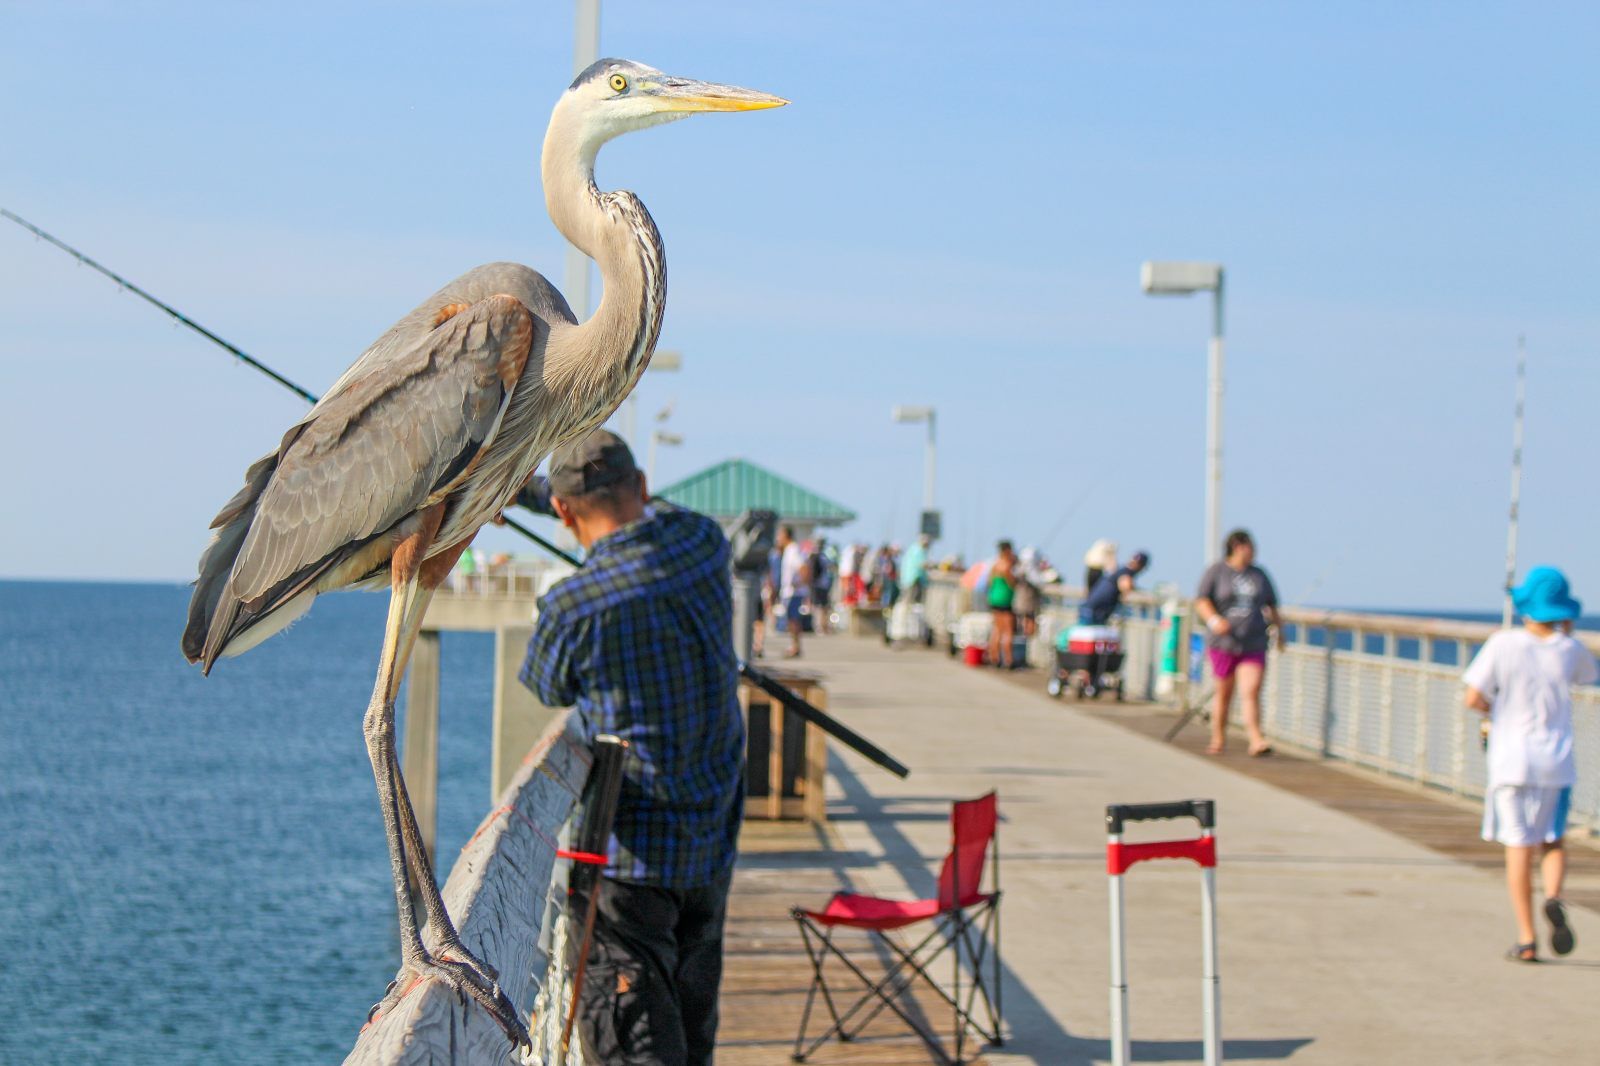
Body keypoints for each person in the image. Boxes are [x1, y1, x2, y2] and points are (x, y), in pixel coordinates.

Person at [519, 430, 744, 1064]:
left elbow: (546, 683)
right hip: (710, 844)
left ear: (564, 514)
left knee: (632, 1047)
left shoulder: (575, 606)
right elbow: (659, 515)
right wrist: (545, 496)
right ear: (641, 486)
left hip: (629, 867)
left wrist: (531, 496)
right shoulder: (704, 543)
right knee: (693, 1035)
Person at [1462, 566, 1597, 963]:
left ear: (1526, 607)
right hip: (1556, 761)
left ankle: (1526, 939)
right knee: (1553, 839)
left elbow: (1473, 698)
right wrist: (1566, 634)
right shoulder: (1570, 649)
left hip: (1510, 760)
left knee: (1518, 846)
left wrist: (1495, 710)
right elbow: (1588, 675)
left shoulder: (1503, 643)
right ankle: (1553, 896)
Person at [1193, 530, 1283, 756]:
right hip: (1223, 643)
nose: (1252, 551)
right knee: (1224, 693)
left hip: (1253, 642)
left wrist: (1280, 633)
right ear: (1236, 546)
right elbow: (1201, 600)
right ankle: (1218, 737)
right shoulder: (1217, 571)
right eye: (1248, 546)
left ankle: (1256, 739)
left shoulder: (1259, 575)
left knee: (1250, 690)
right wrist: (1214, 621)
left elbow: (1272, 606)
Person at [1080, 551, 1150, 625]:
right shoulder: (1126, 572)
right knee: (1090, 633)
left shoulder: (1120, 570)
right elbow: (1125, 586)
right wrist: (1137, 593)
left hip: (1091, 608)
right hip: (1096, 611)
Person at [777, 525, 808, 658]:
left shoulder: (793, 550)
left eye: (780, 535)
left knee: (793, 620)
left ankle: (795, 647)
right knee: (791, 620)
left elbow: (803, 568)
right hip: (789, 592)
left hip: (793, 592)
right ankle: (794, 645)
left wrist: (798, 583)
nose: (778, 538)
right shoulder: (788, 550)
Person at [987, 540, 1018, 669]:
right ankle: (1009, 659)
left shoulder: (995, 565)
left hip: (994, 598)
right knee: (1008, 630)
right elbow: (1012, 583)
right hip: (1005, 600)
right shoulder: (1007, 565)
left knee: (997, 629)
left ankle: (994, 657)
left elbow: (989, 583)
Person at [807, 536, 833, 634]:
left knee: (823, 606)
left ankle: (823, 625)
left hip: (823, 584)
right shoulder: (816, 556)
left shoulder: (823, 555)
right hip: (818, 584)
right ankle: (819, 626)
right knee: (818, 606)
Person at [901, 534, 931, 605]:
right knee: (911, 600)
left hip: (908, 579)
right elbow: (922, 564)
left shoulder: (913, 548)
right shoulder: (918, 550)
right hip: (913, 578)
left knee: (908, 599)